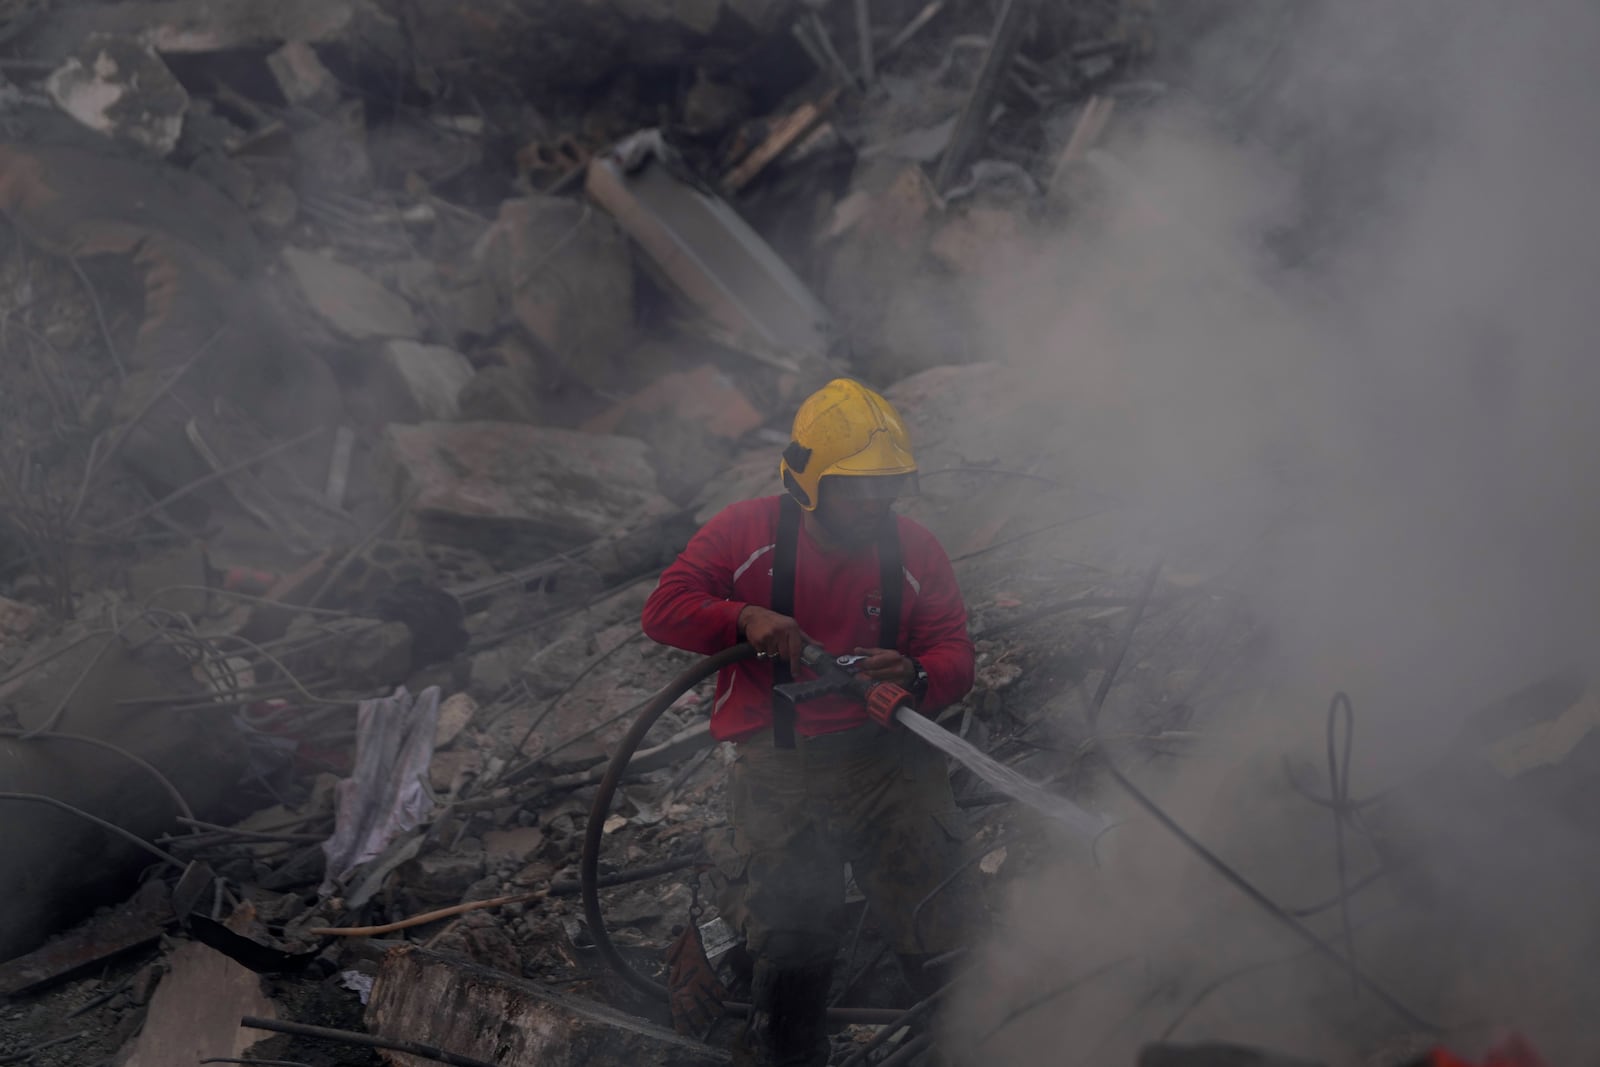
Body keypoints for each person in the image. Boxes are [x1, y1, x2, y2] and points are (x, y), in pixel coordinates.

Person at [641, 378, 978, 1066]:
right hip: (779, 767)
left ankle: (969, 1044)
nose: (874, 501)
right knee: (793, 936)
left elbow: (954, 650)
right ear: (811, 480)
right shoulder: (746, 533)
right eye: (856, 485)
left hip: (889, 764)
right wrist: (742, 616)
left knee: (943, 921)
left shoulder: (915, 551)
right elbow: (665, 607)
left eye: (886, 485)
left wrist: (914, 673)